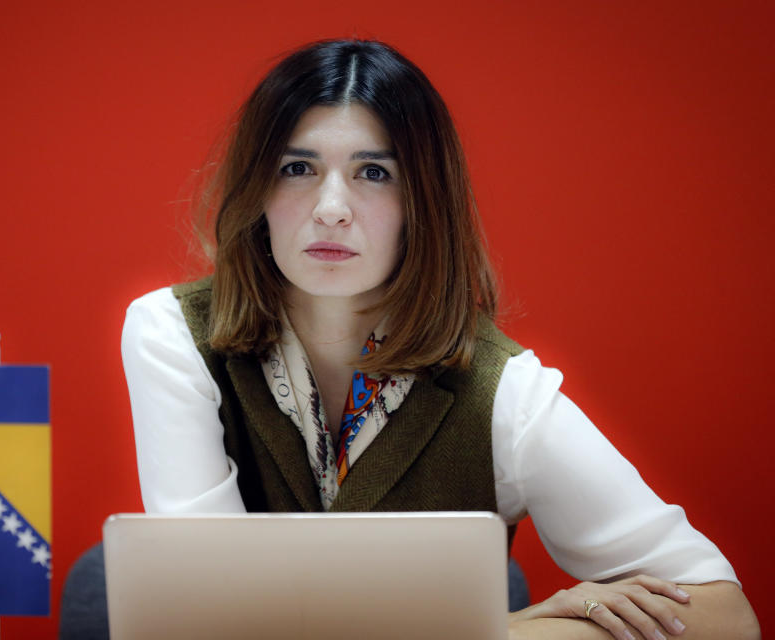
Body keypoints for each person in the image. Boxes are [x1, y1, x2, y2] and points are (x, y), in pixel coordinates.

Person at [121, 39, 759, 639]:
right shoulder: (172, 335)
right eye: (297, 167)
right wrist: (493, 629)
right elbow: (207, 617)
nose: (331, 207)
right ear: (258, 191)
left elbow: (726, 616)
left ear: (422, 200)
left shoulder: (504, 392)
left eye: (374, 173)